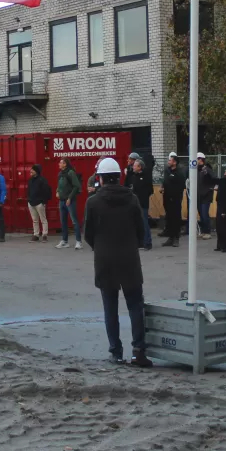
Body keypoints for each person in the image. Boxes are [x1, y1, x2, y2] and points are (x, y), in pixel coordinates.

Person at [84, 157, 153, 367]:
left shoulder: (93, 202)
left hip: (105, 260)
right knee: (135, 305)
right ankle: (138, 351)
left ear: (101, 178)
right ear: (119, 177)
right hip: (129, 258)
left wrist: (100, 247)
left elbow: (88, 233)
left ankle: (116, 352)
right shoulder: (131, 199)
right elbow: (141, 229)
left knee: (110, 307)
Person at [55, 158, 83, 250]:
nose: (59, 164)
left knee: (74, 221)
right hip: (61, 201)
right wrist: (57, 191)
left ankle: (79, 242)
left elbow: (76, 186)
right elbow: (59, 186)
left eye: (61, 162)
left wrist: (70, 198)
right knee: (63, 222)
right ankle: (65, 241)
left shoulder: (70, 173)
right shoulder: (60, 174)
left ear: (65, 164)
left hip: (69, 201)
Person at [160, 152, 185, 247]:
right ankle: (170, 238)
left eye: (170, 160)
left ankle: (176, 238)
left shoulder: (179, 172)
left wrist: (174, 194)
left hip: (175, 200)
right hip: (166, 198)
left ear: (174, 162)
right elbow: (165, 181)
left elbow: (181, 186)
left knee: (175, 219)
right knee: (169, 218)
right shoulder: (167, 170)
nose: (168, 162)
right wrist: (162, 187)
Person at [129, 158, 154, 251]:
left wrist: (142, 195)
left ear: (140, 167)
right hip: (134, 203)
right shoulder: (133, 176)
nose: (133, 167)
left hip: (142, 203)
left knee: (144, 222)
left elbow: (150, 190)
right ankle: (140, 242)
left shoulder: (145, 177)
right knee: (136, 223)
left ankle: (148, 242)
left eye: (135, 166)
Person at [192, 153, 215, 240]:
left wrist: (209, 189)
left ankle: (207, 232)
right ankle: (203, 231)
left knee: (205, 214)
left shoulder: (206, 169)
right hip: (198, 196)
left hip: (206, 196)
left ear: (200, 159)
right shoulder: (196, 170)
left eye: (197, 159)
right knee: (201, 214)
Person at [27, 164, 51, 242]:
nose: (31, 171)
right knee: (35, 220)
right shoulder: (30, 180)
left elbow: (47, 191)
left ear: (37, 171)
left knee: (43, 219)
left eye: (33, 170)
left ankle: (44, 235)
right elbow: (28, 191)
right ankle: (36, 235)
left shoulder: (42, 180)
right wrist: (29, 200)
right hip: (31, 203)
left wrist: (44, 202)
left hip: (40, 203)